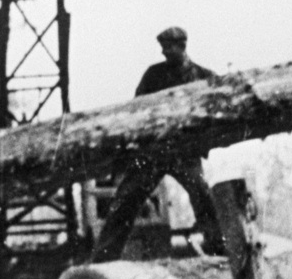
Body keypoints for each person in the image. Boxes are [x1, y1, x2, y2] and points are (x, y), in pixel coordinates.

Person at [90, 26, 227, 262]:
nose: (164, 53)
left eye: (168, 49)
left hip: (185, 152)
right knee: (125, 200)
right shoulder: (153, 75)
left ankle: (220, 254)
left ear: (182, 47)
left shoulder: (204, 77)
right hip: (154, 153)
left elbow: (222, 108)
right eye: (162, 49)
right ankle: (103, 260)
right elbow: (136, 109)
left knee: (203, 197)